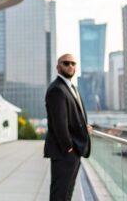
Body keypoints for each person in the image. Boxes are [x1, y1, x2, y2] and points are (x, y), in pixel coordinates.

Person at [44, 54, 92, 201]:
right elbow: (59, 122)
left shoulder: (72, 88)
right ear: (58, 67)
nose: (70, 66)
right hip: (64, 152)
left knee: (68, 192)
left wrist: (85, 128)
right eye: (66, 63)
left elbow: (73, 117)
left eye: (73, 63)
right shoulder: (57, 89)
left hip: (74, 150)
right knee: (60, 194)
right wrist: (68, 147)